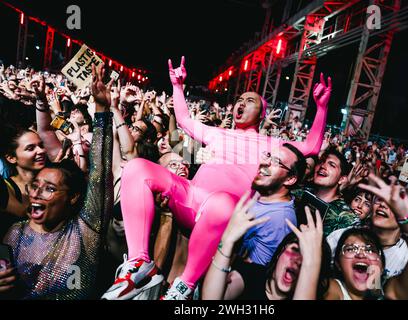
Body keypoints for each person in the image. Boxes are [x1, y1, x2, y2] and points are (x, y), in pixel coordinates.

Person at [102, 57, 332, 300]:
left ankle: (183, 287)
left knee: (223, 203)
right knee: (137, 168)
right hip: (189, 197)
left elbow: (311, 146)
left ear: (262, 113)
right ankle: (139, 264)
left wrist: (322, 108)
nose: (241, 103)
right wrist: (178, 87)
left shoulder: (273, 145)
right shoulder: (219, 133)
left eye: (250, 100)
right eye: (239, 100)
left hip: (219, 213)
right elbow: (184, 121)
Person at [0, 64, 114, 299]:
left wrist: (102, 110)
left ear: (72, 197)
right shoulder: (15, 233)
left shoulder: (85, 229)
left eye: (50, 189)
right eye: (36, 186)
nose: (37, 193)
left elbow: (99, 174)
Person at [202, 192, 330, 300]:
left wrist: (311, 264)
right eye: (295, 250)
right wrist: (227, 242)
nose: (298, 261)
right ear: (280, 253)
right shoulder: (253, 274)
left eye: (306, 258)